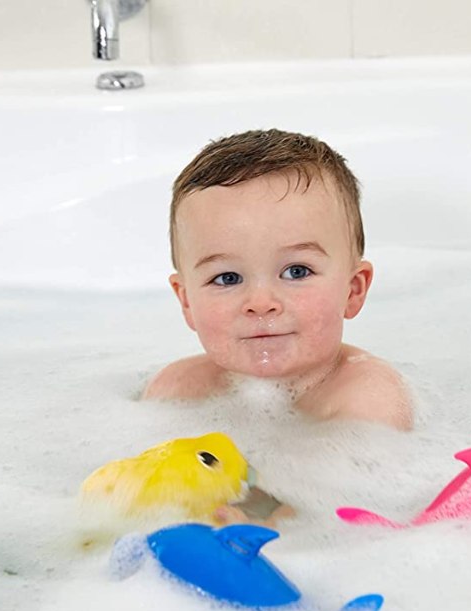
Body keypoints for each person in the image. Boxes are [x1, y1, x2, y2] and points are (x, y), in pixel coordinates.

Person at [143, 129, 413, 433]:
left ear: (354, 290)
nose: (260, 304)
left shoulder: (368, 397)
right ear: (187, 301)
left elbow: (358, 476)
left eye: (296, 271)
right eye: (227, 278)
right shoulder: (178, 389)